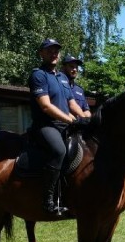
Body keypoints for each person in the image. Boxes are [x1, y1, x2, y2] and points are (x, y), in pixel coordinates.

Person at [28, 38, 85, 215]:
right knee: (59, 151)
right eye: (49, 50)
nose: (54, 53)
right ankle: (48, 201)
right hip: (45, 125)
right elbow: (46, 106)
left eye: (56, 51)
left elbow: (71, 103)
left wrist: (85, 119)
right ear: (41, 53)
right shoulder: (38, 75)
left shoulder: (61, 77)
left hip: (63, 125)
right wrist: (71, 121)